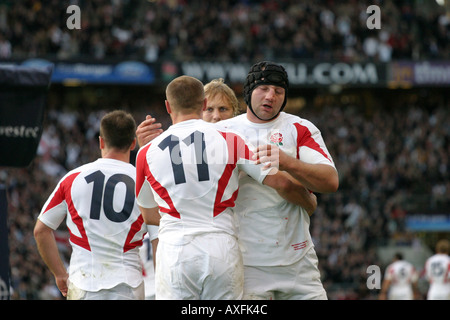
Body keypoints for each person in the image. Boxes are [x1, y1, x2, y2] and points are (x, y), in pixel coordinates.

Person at [135, 75, 317, 300]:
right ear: (203, 104)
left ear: (167, 106)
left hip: (175, 248)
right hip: (220, 246)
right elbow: (281, 182)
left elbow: (148, 214)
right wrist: (308, 201)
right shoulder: (231, 138)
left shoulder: (146, 152)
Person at [217, 61, 338, 300]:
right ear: (249, 91)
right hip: (247, 262)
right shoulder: (223, 131)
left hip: (299, 261)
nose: (271, 96)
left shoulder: (300, 128)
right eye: (263, 88)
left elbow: (330, 181)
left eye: (278, 91)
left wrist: (288, 162)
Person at [34, 110, 147, 300]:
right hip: (128, 283)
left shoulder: (72, 178)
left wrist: (60, 274)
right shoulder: (143, 182)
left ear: (101, 141)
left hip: (84, 284)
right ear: (133, 143)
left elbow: (41, 230)